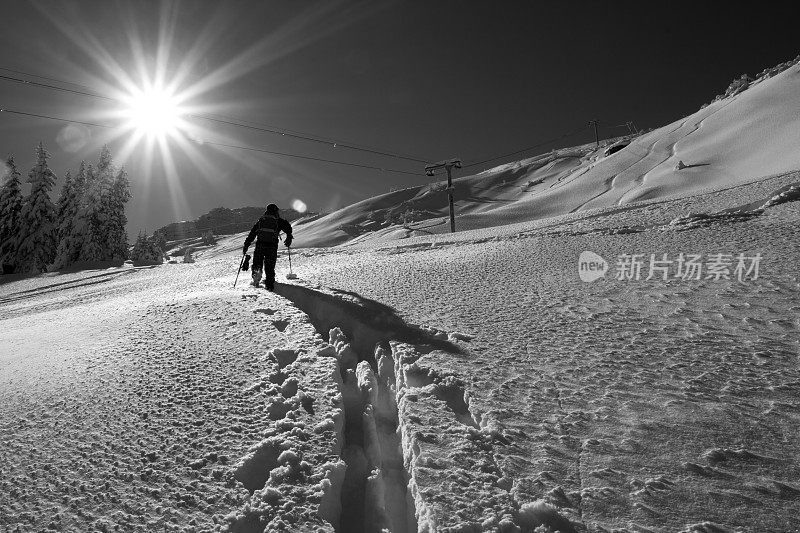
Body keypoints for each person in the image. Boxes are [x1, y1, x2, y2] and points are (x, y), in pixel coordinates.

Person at [242, 203, 293, 290]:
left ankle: (256, 275)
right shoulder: (278, 220)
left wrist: (246, 245)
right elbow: (288, 228)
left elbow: (252, 234)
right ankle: (269, 285)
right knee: (269, 267)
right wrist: (289, 236)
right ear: (276, 210)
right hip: (272, 246)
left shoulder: (261, 221)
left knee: (257, 263)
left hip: (260, 245)